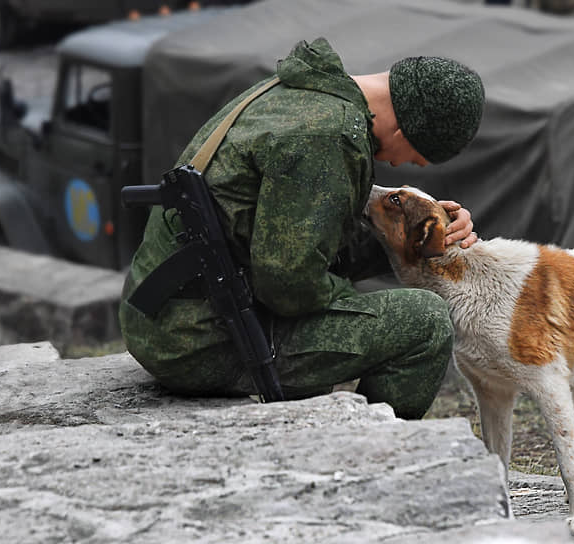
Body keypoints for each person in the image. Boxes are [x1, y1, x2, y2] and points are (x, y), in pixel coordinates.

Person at [119, 38, 485, 420]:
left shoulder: (301, 93)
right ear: (405, 132)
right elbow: (288, 285)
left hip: (169, 316)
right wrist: (347, 296)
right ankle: (372, 460)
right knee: (424, 322)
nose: (413, 167)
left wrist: (418, 238)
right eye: (417, 158)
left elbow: (303, 239)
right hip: (197, 339)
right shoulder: (328, 134)